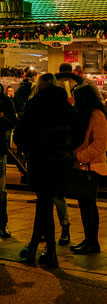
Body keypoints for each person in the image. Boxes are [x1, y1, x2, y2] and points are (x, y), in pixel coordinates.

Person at [13, 73, 85, 266]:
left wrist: (28, 148)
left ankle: (48, 251)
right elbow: (80, 132)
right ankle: (35, 247)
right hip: (61, 162)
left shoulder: (35, 105)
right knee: (45, 203)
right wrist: (68, 149)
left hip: (40, 160)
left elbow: (19, 133)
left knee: (43, 203)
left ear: (41, 86)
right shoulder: (66, 106)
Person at [70, 85, 107, 255]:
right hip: (84, 167)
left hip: (92, 167)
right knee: (85, 205)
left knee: (89, 205)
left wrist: (79, 156)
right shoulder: (86, 115)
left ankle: (93, 242)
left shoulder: (97, 116)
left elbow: (100, 144)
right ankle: (89, 239)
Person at [0, 84, 17, 239]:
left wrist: (1, 117)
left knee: (0, 190)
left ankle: (2, 224)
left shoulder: (4, 99)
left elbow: (12, 122)